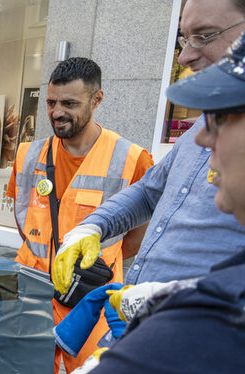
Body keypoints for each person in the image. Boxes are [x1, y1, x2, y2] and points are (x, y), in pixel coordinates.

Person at [0, 32, 245, 374]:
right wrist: (91, 227)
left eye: (220, 117)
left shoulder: (217, 322)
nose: (204, 137)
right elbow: (145, 198)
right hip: (102, 310)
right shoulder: (34, 156)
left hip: (124, 321)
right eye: (182, 36)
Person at [0, 57, 153, 374]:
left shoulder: (131, 158)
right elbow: (25, 220)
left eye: (70, 102)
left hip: (93, 305)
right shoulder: (28, 155)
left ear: (97, 99)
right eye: (50, 102)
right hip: (32, 299)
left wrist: (101, 273)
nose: (57, 111)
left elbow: (136, 238)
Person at [51, 0, 245, 344]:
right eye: (184, 39)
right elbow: (149, 190)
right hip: (141, 329)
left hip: (196, 342)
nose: (184, 57)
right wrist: (93, 226)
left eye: (203, 36)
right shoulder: (202, 126)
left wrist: (180, 295)